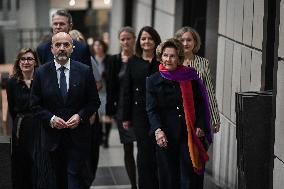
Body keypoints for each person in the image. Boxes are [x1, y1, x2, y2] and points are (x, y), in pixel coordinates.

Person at [30, 32, 100, 189]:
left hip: (78, 137)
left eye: (66, 45)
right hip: (52, 138)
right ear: (52, 49)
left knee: (74, 179)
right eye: (58, 45)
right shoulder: (41, 72)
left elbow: (94, 102)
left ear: (72, 48)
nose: (62, 48)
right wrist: (51, 119)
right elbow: (35, 105)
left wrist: (81, 116)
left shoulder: (84, 71)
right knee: (56, 181)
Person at [146, 38, 212, 189]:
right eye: (165, 55)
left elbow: (201, 103)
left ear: (179, 58)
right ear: (160, 57)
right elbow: (151, 109)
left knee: (187, 177)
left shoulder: (190, 76)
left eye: (172, 56)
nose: (168, 59)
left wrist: (201, 124)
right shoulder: (152, 81)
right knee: (168, 177)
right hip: (165, 135)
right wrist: (158, 130)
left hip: (187, 133)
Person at [122, 26, 161, 189]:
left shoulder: (161, 62)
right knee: (144, 154)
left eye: (150, 38)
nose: (146, 41)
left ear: (156, 41)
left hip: (160, 114)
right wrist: (126, 117)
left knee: (158, 153)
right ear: (139, 41)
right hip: (139, 115)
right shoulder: (133, 62)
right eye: (144, 38)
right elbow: (127, 90)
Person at [69, 29, 103, 184]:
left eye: (79, 39)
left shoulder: (87, 60)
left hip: (88, 112)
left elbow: (98, 83)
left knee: (90, 150)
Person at [105, 26, 137, 189]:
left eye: (128, 38)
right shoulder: (113, 60)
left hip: (139, 110)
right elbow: (110, 87)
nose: (125, 42)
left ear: (134, 39)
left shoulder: (139, 59)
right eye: (122, 39)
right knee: (128, 148)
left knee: (145, 148)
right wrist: (110, 110)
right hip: (122, 109)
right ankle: (133, 185)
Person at [175, 26, 220, 133]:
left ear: (195, 42)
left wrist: (215, 119)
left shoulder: (203, 63)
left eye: (189, 40)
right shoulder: (172, 61)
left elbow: (209, 91)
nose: (185, 43)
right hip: (176, 113)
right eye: (182, 40)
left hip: (198, 114)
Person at [6, 48, 39, 189]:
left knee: (38, 162)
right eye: (23, 59)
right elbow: (12, 108)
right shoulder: (12, 82)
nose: (26, 62)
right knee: (21, 163)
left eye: (30, 59)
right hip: (21, 126)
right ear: (19, 63)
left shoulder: (41, 80)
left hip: (39, 125)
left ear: (35, 62)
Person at [91, 39, 111, 148]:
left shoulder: (109, 59)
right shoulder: (91, 59)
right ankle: (99, 136)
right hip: (95, 90)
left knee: (107, 114)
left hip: (107, 89)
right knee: (98, 114)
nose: (98, 47)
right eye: (96, 45)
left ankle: (106, 138)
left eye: (99, 45)